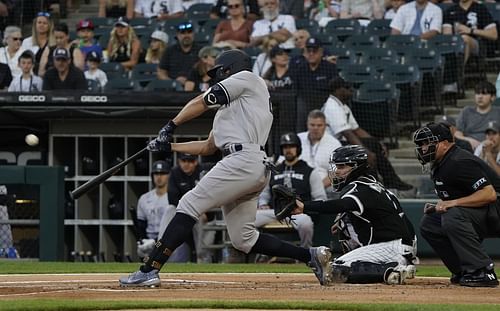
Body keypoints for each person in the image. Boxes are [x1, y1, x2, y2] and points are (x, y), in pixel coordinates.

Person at [119, 49, 332, 287]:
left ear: (229, 68)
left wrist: (171, 125)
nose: (216, 77)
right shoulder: (233, 109)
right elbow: (209, 147)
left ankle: (149, 269)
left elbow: (201, 101)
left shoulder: (248, 78)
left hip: (242, 160)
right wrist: (171, 146)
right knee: (244, 239)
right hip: (250, 165)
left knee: (188, 204)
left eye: (218, 72)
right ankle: (310, 255)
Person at [291, 145, 417, 285]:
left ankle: (390, 270)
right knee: (344, 227)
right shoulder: (371, 184)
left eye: (342, 167)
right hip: (399, 246)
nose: (337, 171)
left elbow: (342, 204)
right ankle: (394, 267)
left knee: (332, 271)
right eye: (336, 167)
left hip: (390, 247)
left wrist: (305, 207)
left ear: (357, 167)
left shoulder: (361, 188)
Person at [414, 122, 500, 287]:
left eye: (427, 143)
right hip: (485, 212)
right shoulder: (442, 163)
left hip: (496, 208)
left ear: (445, 143)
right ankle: (463, 270)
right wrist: (441, 205)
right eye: (421, 144)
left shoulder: (458, 160)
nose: (423, 148)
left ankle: (482, 270)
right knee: (430, 223)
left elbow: (489, 194)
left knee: (453, 214)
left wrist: (452, 203)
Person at [322, 77, 414, 192]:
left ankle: (391, 182)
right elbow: (347, 133)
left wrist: (378, 144)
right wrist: (366, 152)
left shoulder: (342, 106)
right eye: (347, 88)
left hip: (342, 143)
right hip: (331, 145)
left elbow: (357, 130)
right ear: (338, 90)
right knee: (367, 154)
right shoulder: (332, 107)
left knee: (373, 144)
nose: (351, 91)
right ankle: (377, 185)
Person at [257, 133, 326, 249]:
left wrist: (308, 208)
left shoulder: (309, 171)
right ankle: (260, 251)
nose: (288, 150)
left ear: (298, 148)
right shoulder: (273, 170)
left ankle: (306, 252)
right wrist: (263, 203)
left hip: (298, 213)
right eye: (285, 147)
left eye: (291, 147)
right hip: (275, 212)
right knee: (248, 221)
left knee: (306, 223)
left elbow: (320, 197)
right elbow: (265, 193)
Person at [135, 160, 190, 262]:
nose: (159, 177)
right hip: (150, 241)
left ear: (169, 175)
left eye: (163, 173)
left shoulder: (174, 197)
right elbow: (141, 225)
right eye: (156, 173)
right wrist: (143, 241)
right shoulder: (144, 198)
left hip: (172, 242)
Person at [289, 37, 338, 131]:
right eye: (309, 51)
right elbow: (295, 91)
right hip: (305, 109)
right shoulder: (300, 69)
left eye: (314, 51)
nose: (311, 54)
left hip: (325, 107)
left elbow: (335, 91)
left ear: (321, 52)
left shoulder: (329, 68)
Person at [297, 109, 342, 194]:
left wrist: (317, 188)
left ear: (325, 126)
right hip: (298, 184)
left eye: (319, 125)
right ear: (307, 125)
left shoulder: (335, 144)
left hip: (324, 187)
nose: (315, 128)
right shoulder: (298, 139)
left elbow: (336, 173)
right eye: (312, 125)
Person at [455, 81, 500, 150]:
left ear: (493, 97)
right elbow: (457, 134)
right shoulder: (466, 111)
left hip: (492, 149)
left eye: (484, 93)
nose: (480, 96)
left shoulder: (498, 112)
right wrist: (469, 141)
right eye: (477, 93)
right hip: (468, 149)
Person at [157, 22, 202, 86]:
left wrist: (190, 81)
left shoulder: (201, 51)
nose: (186, 35)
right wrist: (174, 82)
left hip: (195, 88)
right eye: (183, 33)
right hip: (173, 89)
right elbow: (161, 73)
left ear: (193, 34)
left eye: (189, 32)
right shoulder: (169, 51)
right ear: (177, 35)